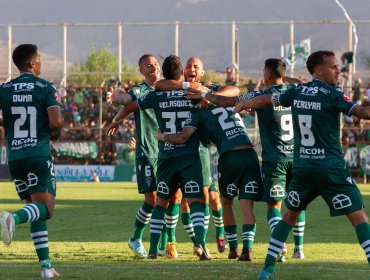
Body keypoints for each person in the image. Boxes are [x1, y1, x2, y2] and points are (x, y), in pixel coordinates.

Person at [233, 50, 370, 279]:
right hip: (331, 169)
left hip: (304, 168)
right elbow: (363, 113)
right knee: (359, 218)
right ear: (318, 70)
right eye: (333, 66)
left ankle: (267, 269)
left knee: (288, 216)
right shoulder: (333, 94)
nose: (338, 70)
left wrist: (242, 103)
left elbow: (267, 99)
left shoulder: (296, 92)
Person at [191, 58, 306, 260]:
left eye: (264, 72)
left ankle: (241, 247)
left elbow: (228, 101)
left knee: (245, 203)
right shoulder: (293, 91)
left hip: (266, 158)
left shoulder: (260, 95)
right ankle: (297, 248)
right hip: (289, 156)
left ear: (268, 74)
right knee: (295, 202)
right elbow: (304, 85)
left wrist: (202, 94)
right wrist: (285, 77)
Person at [156, 80, 263, 261]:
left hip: (229, 156)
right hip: (250, 154)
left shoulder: (199, 112)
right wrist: (206, 92)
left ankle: (233, 248)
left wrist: (162, 136)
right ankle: (247, 250)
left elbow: (184, 137)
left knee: (225, 202)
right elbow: (234, 89)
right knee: (246, 205)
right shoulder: (225, 100)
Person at [155, 57, 240, 253]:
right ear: (183, 71)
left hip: (199, 152)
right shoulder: (177, 88)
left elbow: (234, 90)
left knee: (210, 197)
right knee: (179, 199)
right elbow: (160, 83)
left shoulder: (206, 87)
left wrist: (206, 94)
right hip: (177, 151)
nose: (191, 68)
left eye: (195, 66)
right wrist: (188, 85)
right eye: (187, 66)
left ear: (201, 72)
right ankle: (184, 242)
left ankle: (218, 236)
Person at [107, 54, 181, 259]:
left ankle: (166, 244)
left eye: (155, 64)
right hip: (148, 150)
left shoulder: (169, 88)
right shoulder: (140, 91)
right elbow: (126, 99)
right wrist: (115, 99)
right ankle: (136, 238)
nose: (153, 67)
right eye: (148, 65)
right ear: (141, 71)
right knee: (154, 198)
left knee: (174, 196)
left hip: (169, 150)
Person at [136, 55, 209, 260]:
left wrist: (117, 100)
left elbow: (135, 102)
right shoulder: (192, 92)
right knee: (195, 202)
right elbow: (209, 97)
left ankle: (152, 251)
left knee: (161, 203)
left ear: (164, 73)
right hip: (189, 156)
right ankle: (201, 247)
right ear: (181, 73)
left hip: (166, 156)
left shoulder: (156, 95)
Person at [0, 44, 63, 278]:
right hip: (37, 153)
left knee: (34, 207)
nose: (41, 63)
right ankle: (12, 218)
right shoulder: (45, 87)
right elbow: (56, 122)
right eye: (40, 59)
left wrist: (7, 124)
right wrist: (57, 129)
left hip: (15, 157)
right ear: (33, 63)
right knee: (45, 209)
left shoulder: (5, 89)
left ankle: (46, 267)